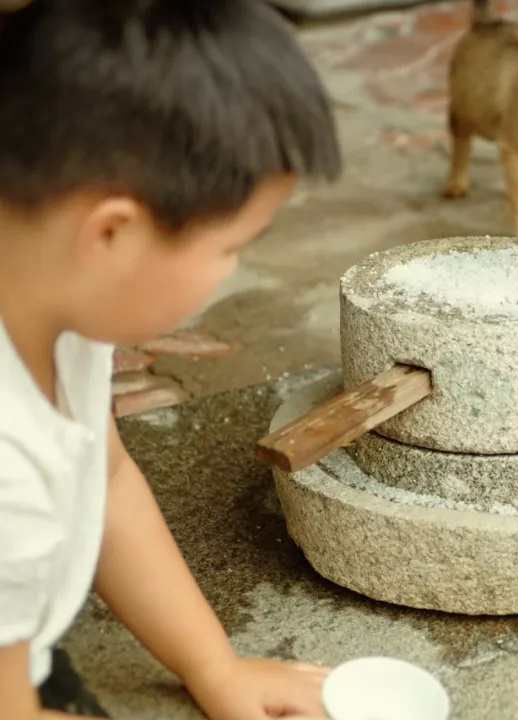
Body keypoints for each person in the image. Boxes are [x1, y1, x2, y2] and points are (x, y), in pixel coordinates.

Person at [0, 1, 342, 718]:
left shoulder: (52, 290)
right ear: (114, 233)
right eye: (231, 246)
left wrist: (214, 666)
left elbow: (106, 475)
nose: (233, 269)